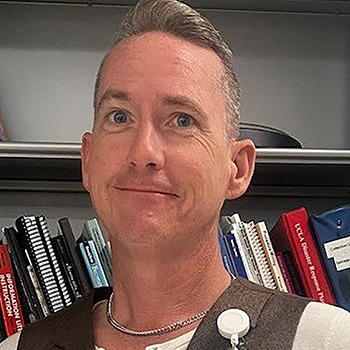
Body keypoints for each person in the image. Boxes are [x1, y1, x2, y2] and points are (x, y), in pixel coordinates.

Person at [1, 0, 350, 349]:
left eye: (182, 120)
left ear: (237, 168)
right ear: (87, 161)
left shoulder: (326, 339)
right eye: (120, 117)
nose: (143, 153)